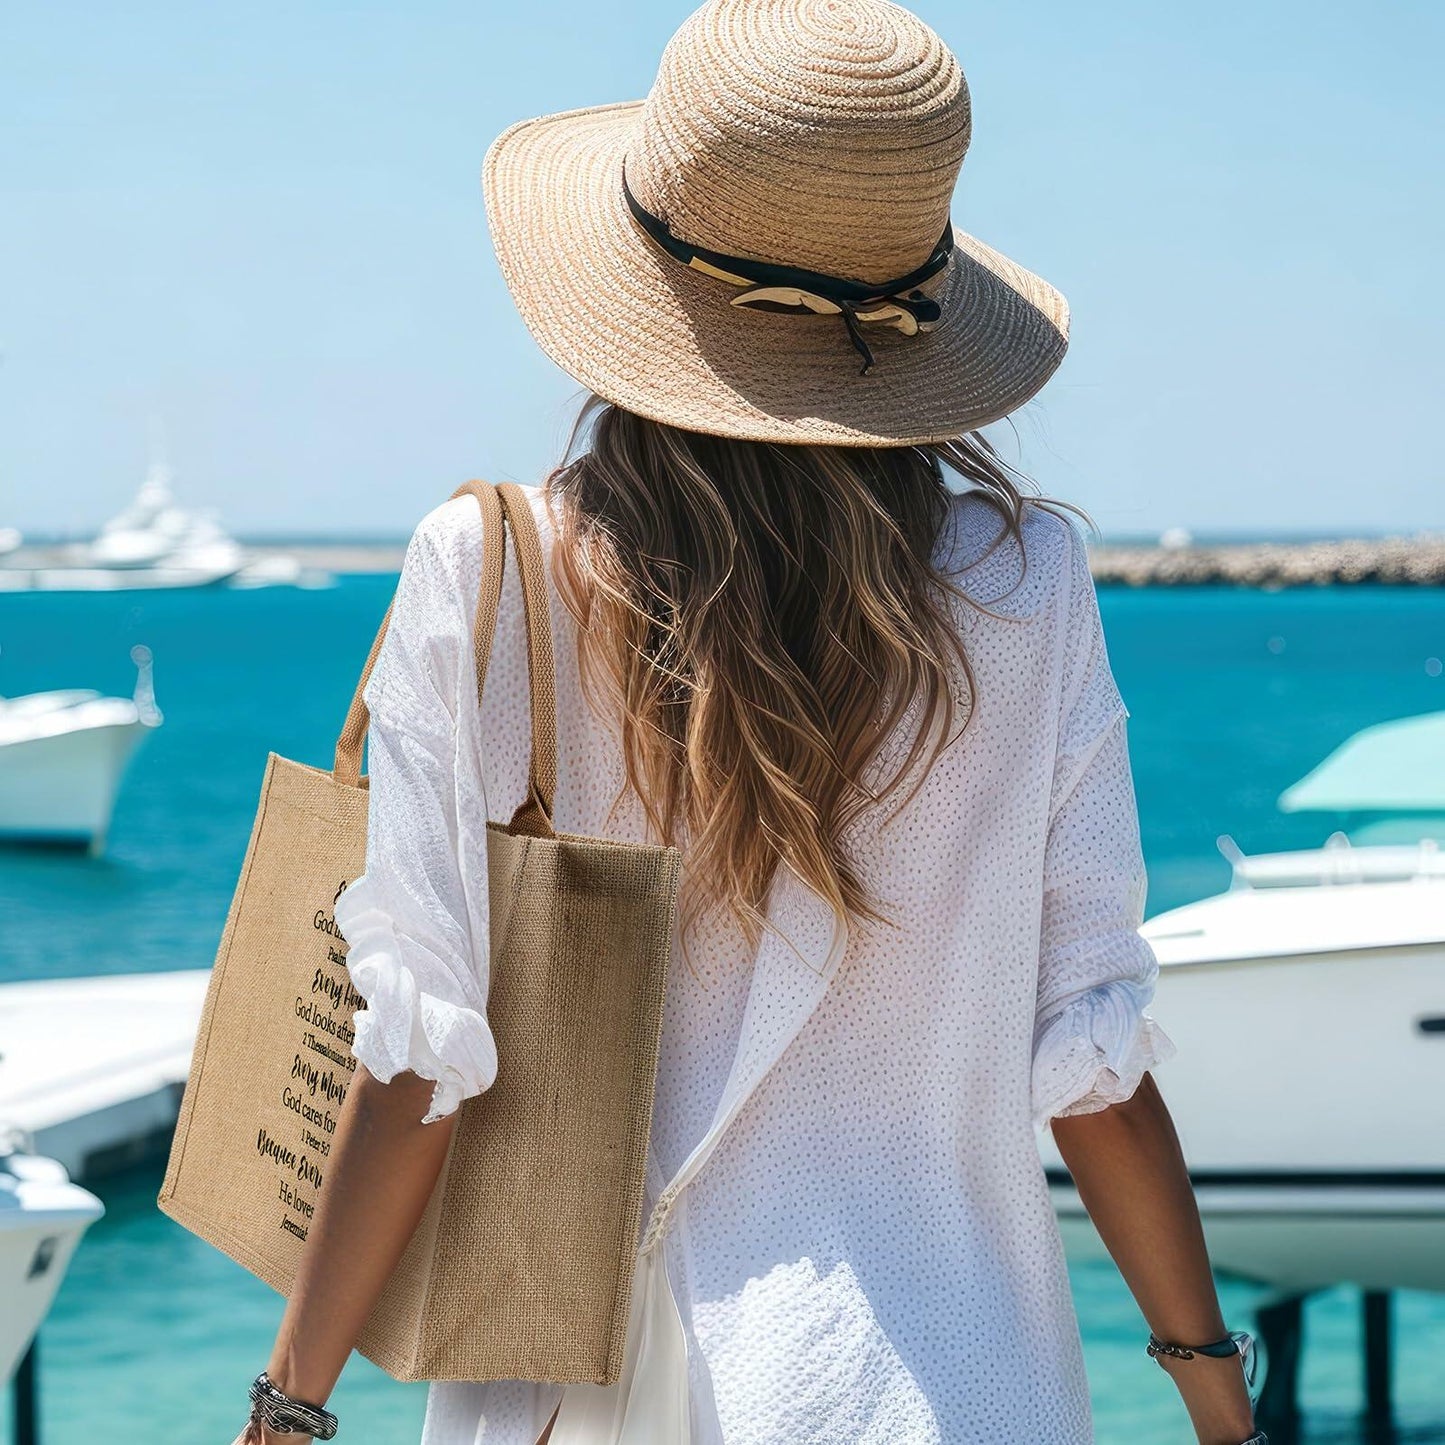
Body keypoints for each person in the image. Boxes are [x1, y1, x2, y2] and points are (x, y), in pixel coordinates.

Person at [232, 2, 1266, 1442]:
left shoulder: (491, 571)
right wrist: (1216, 1397)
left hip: (591, 1397)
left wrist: (289, 1405)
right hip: (950, 1390)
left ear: (633, 278)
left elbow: (417, 1053)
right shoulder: (1027, 584)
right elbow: (1087, 1059)